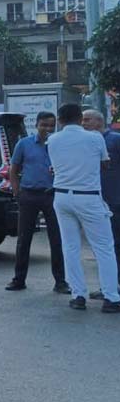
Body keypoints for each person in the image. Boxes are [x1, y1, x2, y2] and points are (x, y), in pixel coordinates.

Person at [47, 103, 120, 312]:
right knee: (104, 248)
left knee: (70, 247)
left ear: (59, 120)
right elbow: (105, 164)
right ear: (81, 118)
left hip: (61, 197)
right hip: (88, 197)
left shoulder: (52, 140)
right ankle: (111, 298)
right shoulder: (95, 137)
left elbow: (55, 167)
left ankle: (78, 295)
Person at [5, 112, 68, 293]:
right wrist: (17, 192)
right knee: (24, 239)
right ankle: (19, 280)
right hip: (29, 195)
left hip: (53, 196)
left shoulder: (58, 144)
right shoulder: (24, 144)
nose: (48, 129)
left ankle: (60, 282)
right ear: (37, 125)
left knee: (56, 240)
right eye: (44, 125)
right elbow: (14, 169)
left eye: (51, 125)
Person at [82, 109, 120, 300]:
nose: (83, 123)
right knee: (102, 246)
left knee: (115, 243)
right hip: (95, 201)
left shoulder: (114, 139)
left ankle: (114, 287)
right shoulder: (87, 142)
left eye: (87, 119)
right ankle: (108, 286)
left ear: (99, 121)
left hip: (115, 201)